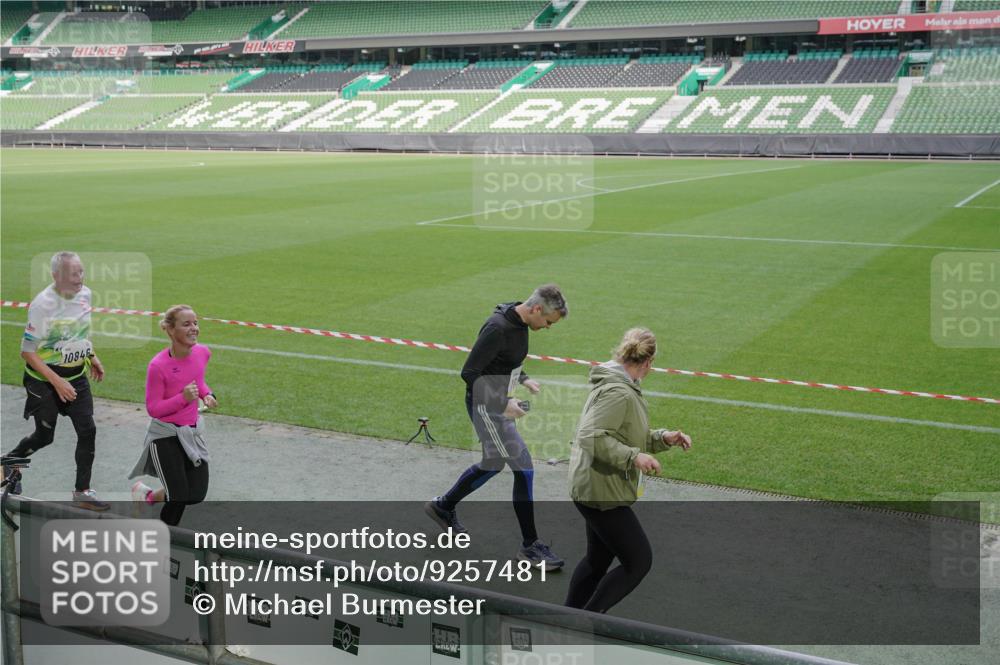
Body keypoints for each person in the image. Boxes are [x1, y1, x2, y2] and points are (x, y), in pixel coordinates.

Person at [426, 284, 568, 570]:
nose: (548, 327)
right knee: (523, 467)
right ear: (537, 309)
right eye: (549, 322)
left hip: (498, 402)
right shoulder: (498, 327)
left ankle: (443, 506)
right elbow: (469, 373)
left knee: (493, 464)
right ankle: (529, 547)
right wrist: (503, 405)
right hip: (485, 405)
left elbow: (506, 358)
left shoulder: (520, 323)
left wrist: (524, 378)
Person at [565, 328, 692, 613]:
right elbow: (590, 436)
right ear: (648, 362)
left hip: (595, 485)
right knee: (638, 562)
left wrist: (663, 438)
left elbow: (625, 433)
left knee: (597, 560)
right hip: (601, 491)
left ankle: (566, 616)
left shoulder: (620, 383)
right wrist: (634, 458)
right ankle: (587, 620)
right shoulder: (619, 392)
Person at [4, 252, 107, 510]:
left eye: (81, 271)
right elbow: (27, 352)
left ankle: (82, 492)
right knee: (44, 436)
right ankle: (8, 464)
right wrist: (57, 382)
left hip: (76, 377)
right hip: (43, 381)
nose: (79, 278)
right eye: (73, 274)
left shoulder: (86, 295)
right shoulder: (43, 305)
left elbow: (78, 332)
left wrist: (92, 356)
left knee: (88, 431)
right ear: (56, 276)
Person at [130, 305, 217, 526]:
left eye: (195, 323)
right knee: (178, 495)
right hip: (164, 436)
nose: (194, 328)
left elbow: (199, 380)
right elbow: (154, 408)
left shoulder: (202, 353)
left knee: (195, 495)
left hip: (191, 432)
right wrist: (184, 398)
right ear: (170, 330)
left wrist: (207, 394)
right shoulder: (158, 366)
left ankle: (148, 496)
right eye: (186, 324)